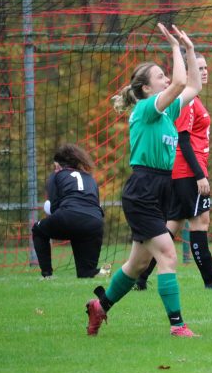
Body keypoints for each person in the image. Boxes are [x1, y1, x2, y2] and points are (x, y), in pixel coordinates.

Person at [85, 23, 202, 338]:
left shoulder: (165, 112)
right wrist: (175, 47)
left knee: (137, 265)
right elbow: (180, 82)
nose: (166, 79)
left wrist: (190, 50)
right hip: (143, 190)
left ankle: (99, 306)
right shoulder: (147, 108)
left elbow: (192, 86)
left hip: (161, 188)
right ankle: (177, 325)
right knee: (167, 254)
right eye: (160, 77)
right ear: (148, 89)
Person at [134, 52, 212, 291]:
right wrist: (199, 175)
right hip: (187, 171)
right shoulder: (186, 101)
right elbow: (183, 139)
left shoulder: (193, 99)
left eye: (205, 68)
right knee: (200, 222)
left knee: (172, 225)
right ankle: (211, 281)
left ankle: (140, 277)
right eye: (199, 68)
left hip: (184, 171)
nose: (204, 72)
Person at [32, 143, 106, 279]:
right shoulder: (90, 178)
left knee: (37, 229)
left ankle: (47, 275)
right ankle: (105, 272)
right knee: (86, 273)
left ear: (58, 166)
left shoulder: (56, 176)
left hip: (69, 217)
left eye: (55, 167)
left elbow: (54, 208)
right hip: (95, 223)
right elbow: (96, 204)